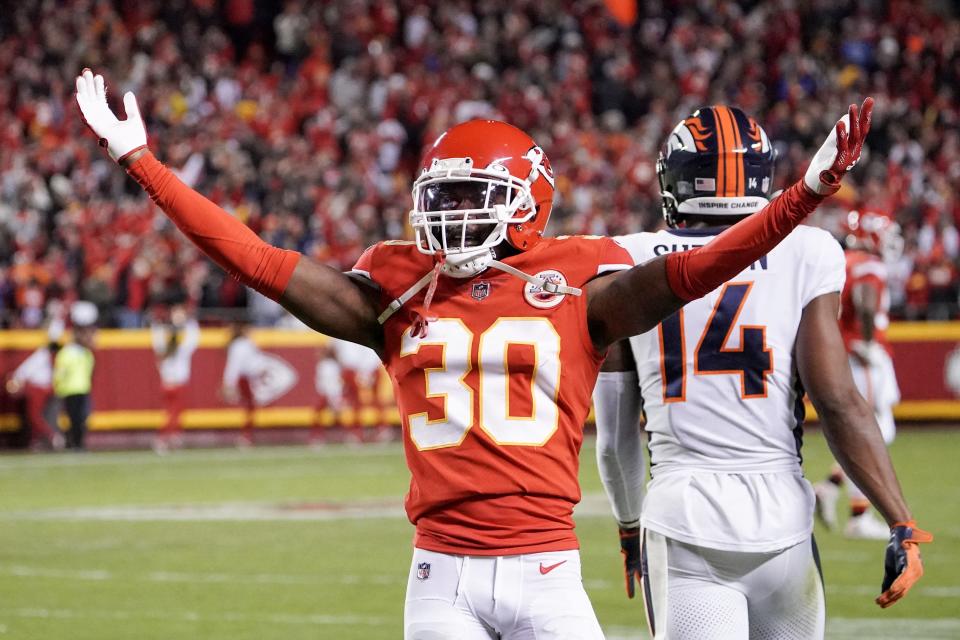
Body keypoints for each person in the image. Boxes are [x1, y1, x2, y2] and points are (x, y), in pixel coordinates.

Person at [77, 69, 871, 639]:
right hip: (440, 577)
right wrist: (142, 164)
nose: (454, 216)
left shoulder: (579, 286)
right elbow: (255, 258)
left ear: (529, 202)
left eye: (473, 198)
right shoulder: (393, 292)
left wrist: (803, 196)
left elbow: (699, 267)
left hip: (548, 569)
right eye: (444, 198)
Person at [593, 106, 931, 640]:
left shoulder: (625, 258)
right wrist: (900, 521)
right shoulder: (808, 249)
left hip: (684, 517)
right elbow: (839, 403)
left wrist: (629, 525)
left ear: (675, 179)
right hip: (782, 518)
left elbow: (614, 440)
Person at [814, 210, 904, 539]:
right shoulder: (868, 264)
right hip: (860, 354)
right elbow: (865, 304)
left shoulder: (843, 259)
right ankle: (858, 515)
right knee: (872, 432)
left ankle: (830, 488)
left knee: (872, 431)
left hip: (844, 352)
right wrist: (867, 343)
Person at [150, 304, 200, 454]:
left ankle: (173, 438)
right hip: (177, 384)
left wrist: (158, 323)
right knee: (173, 414)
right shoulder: (180, 350)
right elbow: (193, 339)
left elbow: (156, 337)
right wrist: (188, 321)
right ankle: (163, 438)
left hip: (167, 384)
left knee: (171, 413)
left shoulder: (163, 350)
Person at [6, 327, 63, 451]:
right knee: (35, 416)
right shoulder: (43, 354)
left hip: (44, 388)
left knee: (39, 416)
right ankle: (45, 438)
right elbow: (25, 369)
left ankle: (50, 437)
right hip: (39, 388)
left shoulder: (49, 355)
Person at [54, 301, 98, 451]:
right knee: (75, 419)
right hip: (72, 389)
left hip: (79, 388)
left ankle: (77, 443)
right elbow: (61, 372)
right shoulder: (71, 352)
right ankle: (75, 443)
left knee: (80, 418)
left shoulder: (82, 353)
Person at [221, 319, 260, 448]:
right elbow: (234, 365)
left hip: (247, 378)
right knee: (249, 407)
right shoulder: (240, 345)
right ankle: (245, 436)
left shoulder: (246, 343)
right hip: (243, 379)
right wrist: (229, 383)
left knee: (250, 408)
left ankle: (247, 435)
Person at [308, 341, 344, 447]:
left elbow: (333, 382)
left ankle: (350, 435)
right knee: (318, 415)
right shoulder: (324, 364)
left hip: (331, 394)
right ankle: (318, 437)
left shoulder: (330, 365)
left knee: (337, 416)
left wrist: (333, 397)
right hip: (326, 394)